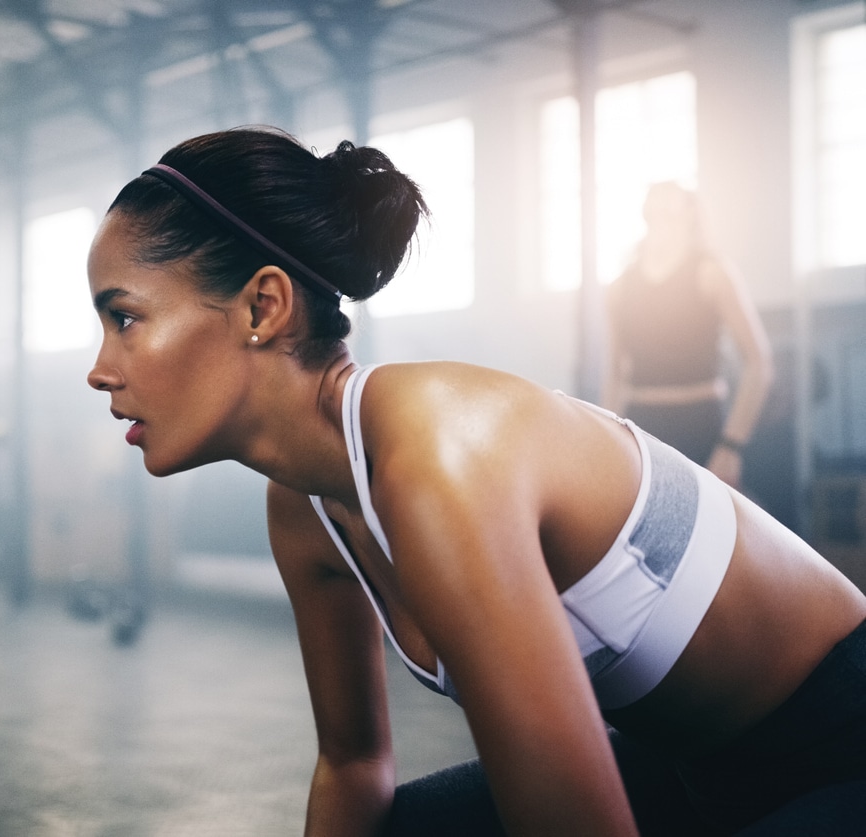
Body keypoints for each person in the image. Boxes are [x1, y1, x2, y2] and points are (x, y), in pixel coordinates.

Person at [84, 127, 866, 835]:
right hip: (692, 769)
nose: (99, 369)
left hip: (840, 746)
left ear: (264, 304)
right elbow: (355, 765)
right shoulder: (301, 509)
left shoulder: (441, 453)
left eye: (124, 317)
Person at [603, 182, 774, 490]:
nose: (662, 213)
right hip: (641, 428)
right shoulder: (619, 288)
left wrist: (731, 446)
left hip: (701, 426)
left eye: (670, 206)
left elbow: (759, 362)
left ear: (690, 213)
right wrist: (607, 441)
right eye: (654, 207)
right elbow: (616, 374)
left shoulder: (712, 274)